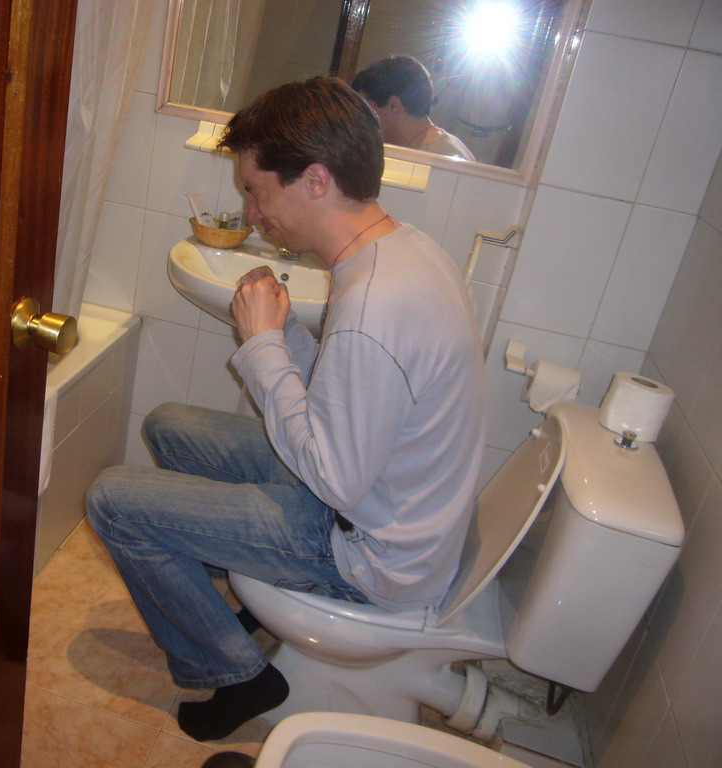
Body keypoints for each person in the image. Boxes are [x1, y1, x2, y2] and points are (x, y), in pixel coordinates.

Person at [85, 77, 485, 742]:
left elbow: (334, 477)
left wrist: (264, 345)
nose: (250, 209)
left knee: (110, 499)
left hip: (365, 554)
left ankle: (234, 670)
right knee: (170, 427)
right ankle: (232, 595)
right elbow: (347, 402)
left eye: (256, 190)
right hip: (387, 510)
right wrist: (289, 337)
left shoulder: (375, 304)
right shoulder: (402, 250)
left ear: (317, 180)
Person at [352, 55, 476, 162]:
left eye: (366, 108)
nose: (359, 118)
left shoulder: (450, 158)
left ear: (393, 105)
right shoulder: (393, 148)